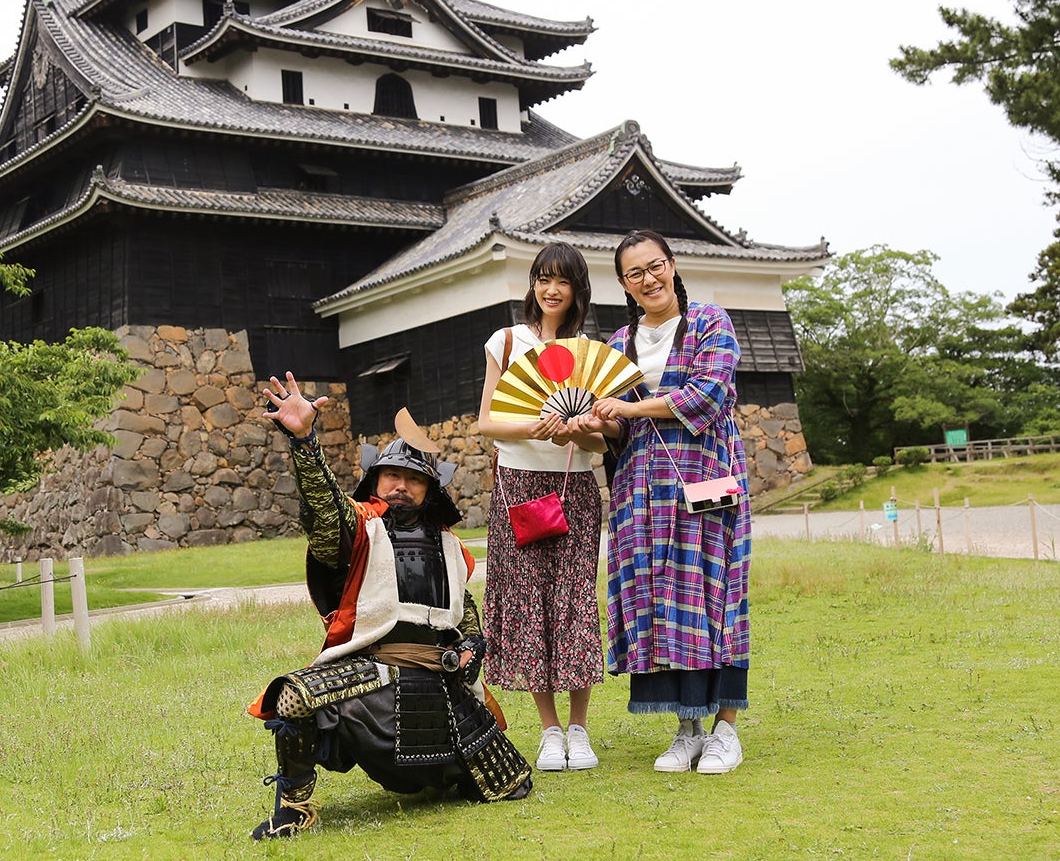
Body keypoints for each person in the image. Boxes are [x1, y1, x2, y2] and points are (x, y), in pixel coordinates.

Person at [247, 374, 533, 839]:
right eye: (392, 475)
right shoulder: (358, 528)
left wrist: (473, 649)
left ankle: (444, 773)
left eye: (413, 479)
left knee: (512, 782)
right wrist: (304, 439)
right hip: (370, 671)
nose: (401, 486)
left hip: (438, 678)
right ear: (375, 479)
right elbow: (324, 511)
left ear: (430, 488)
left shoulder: (451, 546)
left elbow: (467, 617)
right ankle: (293, 808)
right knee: (291, 697)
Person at [573, 229, 752, 775]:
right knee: (655, 599)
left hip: (706, 480)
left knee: (712, 594)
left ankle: (726, 730)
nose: (648, 279)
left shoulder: (709, 321)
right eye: (634, 273)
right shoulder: (621, 342)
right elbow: (620, 434)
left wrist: (627, 409)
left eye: (655, 267)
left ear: (671, 266)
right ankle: (687, 729)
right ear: (623, 283)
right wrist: (600, 422)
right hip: (640, 490)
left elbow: (708, 394)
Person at [476, 242, 609, 773]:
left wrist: (585, 428)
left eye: (562, 280)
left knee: (574, 601)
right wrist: (533, 426)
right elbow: (486, 421)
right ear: (533, 284)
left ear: (577, 289)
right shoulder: (506, 342)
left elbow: (603, 444)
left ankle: (580, 730)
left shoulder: (588, 354)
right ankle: (549, 731)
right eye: (542, 278)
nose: (551, 289)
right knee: (530, 602)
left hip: (575, 485)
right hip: (518, 486)